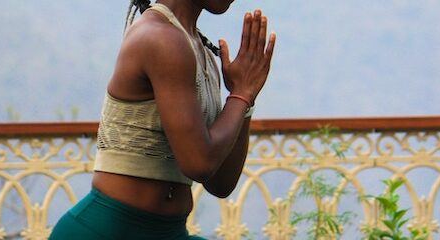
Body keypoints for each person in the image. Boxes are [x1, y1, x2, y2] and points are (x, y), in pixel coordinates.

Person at [48, 0, 276, 239]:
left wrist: (243, 99)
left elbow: (221, 183)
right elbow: (199, 164)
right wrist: (241, 95)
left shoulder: (202, 54)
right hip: (105, 230)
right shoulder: (162, 39)